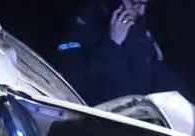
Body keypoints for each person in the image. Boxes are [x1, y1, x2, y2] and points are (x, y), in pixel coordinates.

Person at [53, 0, 186, 106]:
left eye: (145, 3)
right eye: (135, 3)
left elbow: (159, 70)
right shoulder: (84, 21)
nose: (141, 11)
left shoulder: (139, 24)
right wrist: (112, 43)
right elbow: (73, 79)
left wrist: (184, 101)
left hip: (137, 116)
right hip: (100, 118)